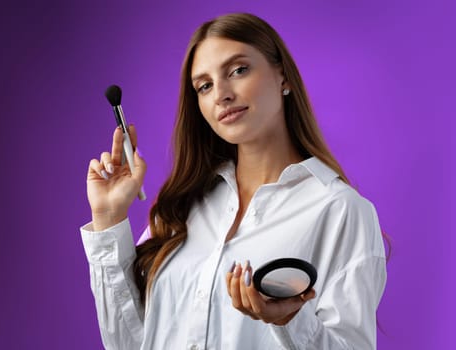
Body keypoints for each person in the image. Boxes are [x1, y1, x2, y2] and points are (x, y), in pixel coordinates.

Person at [80, 12, 387, 350]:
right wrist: (109, 218)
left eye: (239, 70)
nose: (221, 95)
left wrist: (289, 320)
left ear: (282, 76)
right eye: (204, 86)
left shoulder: (340, 210)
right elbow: (128, 343)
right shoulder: (182, 207)